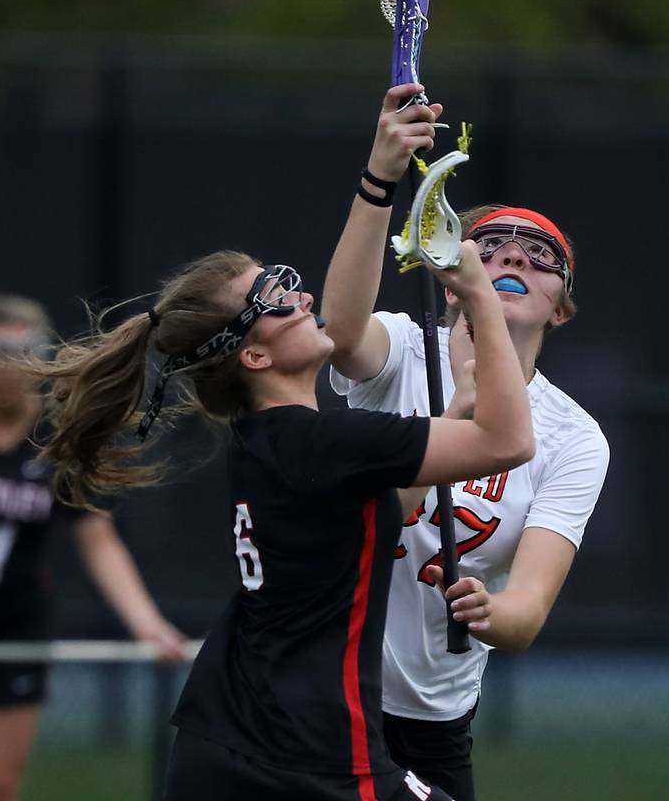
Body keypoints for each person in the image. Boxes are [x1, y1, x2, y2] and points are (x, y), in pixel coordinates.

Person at [29, 243, 533, 800]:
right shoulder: (326, 442)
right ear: (254, 357)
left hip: (224, 739)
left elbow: (379, 515)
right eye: (276, 299)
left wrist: (452, 417)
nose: (303, 299)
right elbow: (510, 441)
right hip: (313, 754)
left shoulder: (262, 440)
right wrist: (478, 295)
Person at [322, 83, 610, 801]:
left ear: (563, 306)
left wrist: (492, 610)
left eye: (539, 254)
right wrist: (380, 174)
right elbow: (340, 332)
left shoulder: (575, 438)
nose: (512, 257)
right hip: (323, 681)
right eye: (490, 246)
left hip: (431, 713)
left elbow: (528, 609)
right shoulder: (399, 348)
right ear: (450, 278)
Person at [0, 293, 187, 801]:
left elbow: (98, 541)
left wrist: (147, 624)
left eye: (24, 350)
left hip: (17, 628)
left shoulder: (59, 440)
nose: (10, 365)